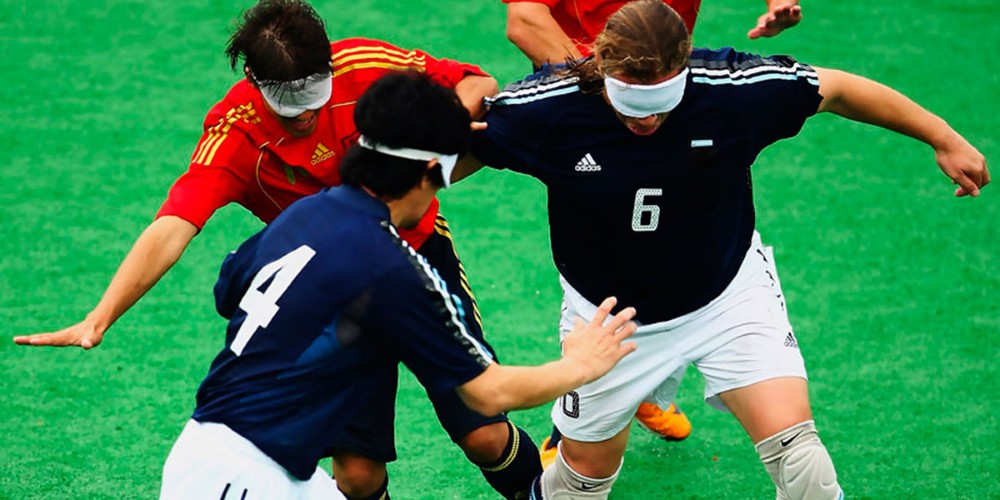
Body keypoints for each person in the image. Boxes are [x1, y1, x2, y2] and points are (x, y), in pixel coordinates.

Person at [458, 1, 990, 498]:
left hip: (727, 298)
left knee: (803, 461)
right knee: (580, 482)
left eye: (660, 105)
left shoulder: (733, 88)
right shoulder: (548, 106)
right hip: (606, 322)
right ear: (601, 65)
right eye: (631, 105)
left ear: (685, 66)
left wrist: (944, 137)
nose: (645, 122)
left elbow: (839, 90)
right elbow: (457, 153)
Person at [12, 1, 540, 498]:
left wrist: (434, 138)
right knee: (357, 476)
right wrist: (100, 316)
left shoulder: (364, 64)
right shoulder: (234, 133)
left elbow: (477, 82)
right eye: (289, 110)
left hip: (414, 255)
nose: (305, 119)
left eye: (313, 102)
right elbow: (173, 225)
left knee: (485, 436)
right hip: (332, 302)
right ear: (253, 81)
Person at [159, 71, 640, 499]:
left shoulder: (302, 215)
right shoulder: (389, 266)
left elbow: (230, 289)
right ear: (431, 171)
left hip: (200, 454)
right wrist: (580, 364)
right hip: (251, 481)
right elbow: (488, 394)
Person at [504, 0, 802, 68]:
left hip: (670, 70)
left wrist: (779, 5)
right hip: (580, 75)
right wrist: (597, 84)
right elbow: (524, 22)